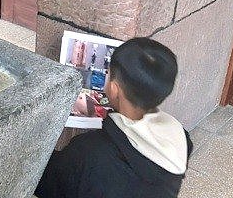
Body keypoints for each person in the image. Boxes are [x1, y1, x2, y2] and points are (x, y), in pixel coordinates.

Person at [35, 38, 193, 198]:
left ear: (114, 89)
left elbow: (43, 180)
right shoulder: (182, 138)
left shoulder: (87, 153)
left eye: (108, 74)